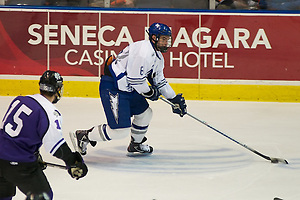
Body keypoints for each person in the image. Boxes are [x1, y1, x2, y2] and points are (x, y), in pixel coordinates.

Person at [70, 22, 187, 156]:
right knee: (120, 131)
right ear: (154, 37)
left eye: (167, 39)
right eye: (163, 39)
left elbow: (159, 80)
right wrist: (149, 93)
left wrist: (173, 98)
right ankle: (84, 136)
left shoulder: (158, 56)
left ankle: (135, 144)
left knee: (145, 114)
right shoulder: (144, 52)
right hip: (114, 88)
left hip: (129, 88)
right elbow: (135, 79)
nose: (166, 42)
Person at [0, 70, 88, 200]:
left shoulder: (20, 100)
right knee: (42, 196)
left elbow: (10, 133)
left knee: (3, 194)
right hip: (20, 163)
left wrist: (35, 154)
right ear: (58, 89)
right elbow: (55, 146)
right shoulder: (50, 112)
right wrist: (73, 161)